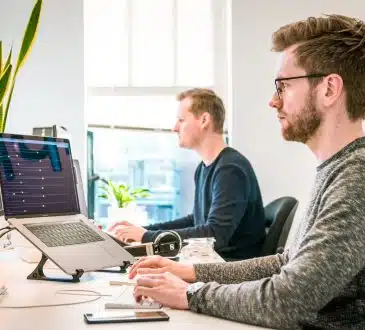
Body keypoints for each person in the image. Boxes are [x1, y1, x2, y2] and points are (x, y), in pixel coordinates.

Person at [127, 14, 365, 329]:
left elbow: (288, 299)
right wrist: (191, 273)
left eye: (283, 86)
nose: (272, 101)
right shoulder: (335, 168)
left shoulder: (356, 177)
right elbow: (286, 263)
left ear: (329, 89)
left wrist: (191, 294)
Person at [110, 88, 266, 260]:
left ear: (204, 120)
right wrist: (145, 231)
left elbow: (214, 236)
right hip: (211, 262)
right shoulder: (204, 168)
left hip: (229, 268)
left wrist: (146, 237)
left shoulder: (230, 170)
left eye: (181, 120)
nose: (175, 128)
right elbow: (196, 221)